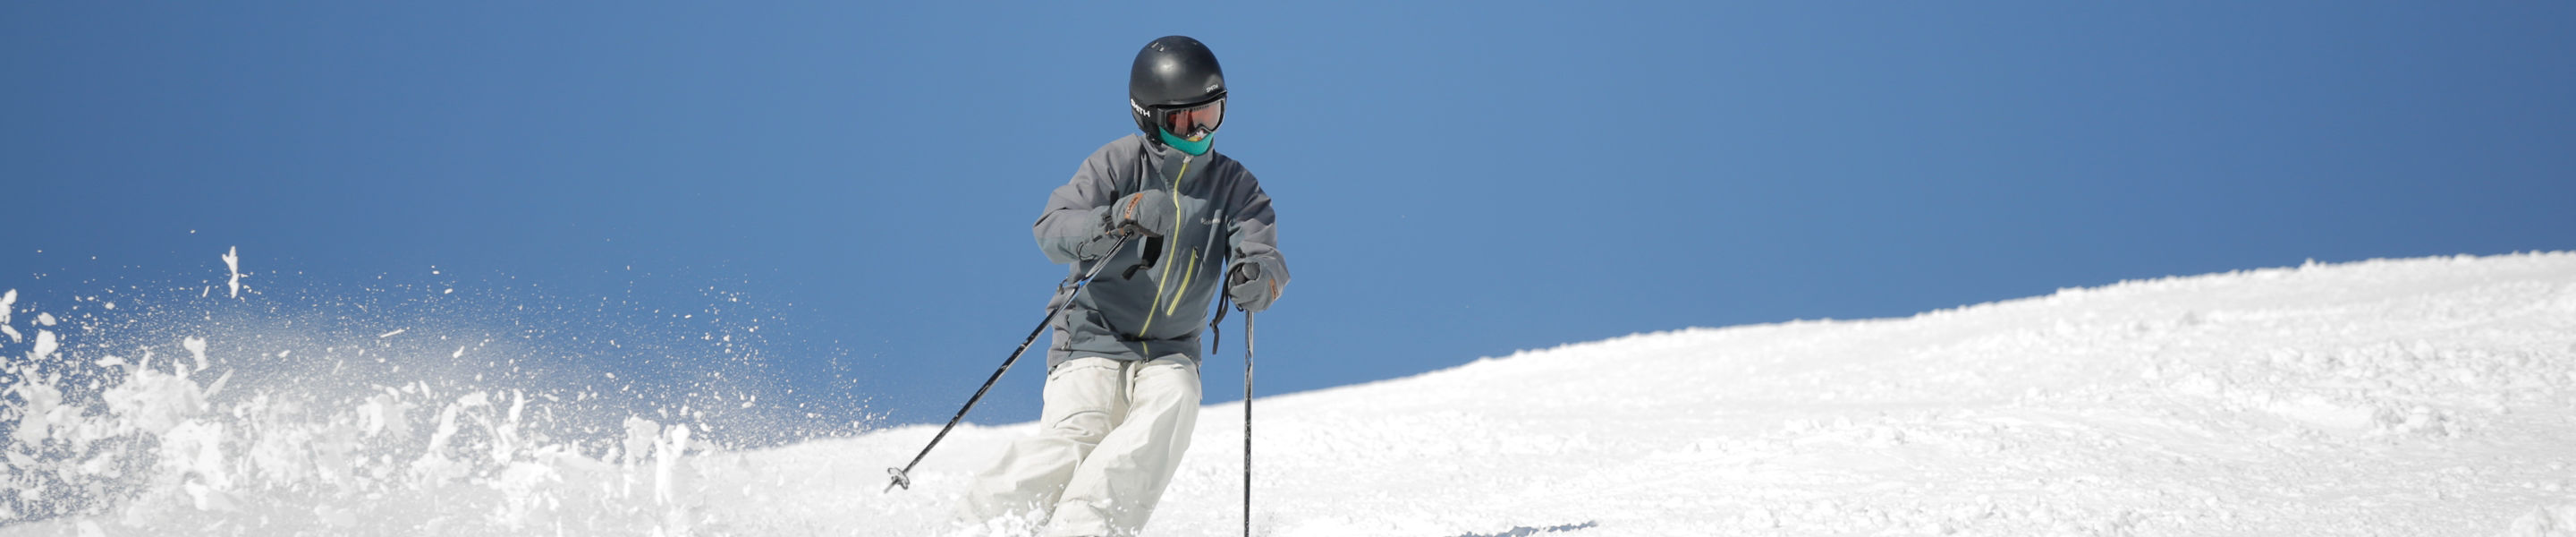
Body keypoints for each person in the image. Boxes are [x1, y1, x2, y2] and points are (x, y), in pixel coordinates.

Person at [957, 35, 1288, 537]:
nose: (1198, 130)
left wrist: (1256, 277)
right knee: (1080, 437)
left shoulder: (1235, 186)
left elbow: (1263, 253)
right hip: (1092, 332)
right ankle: (978, 524)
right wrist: (1115, 218)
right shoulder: (1116, 164)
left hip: (1172, 348)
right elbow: (1051, 229)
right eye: (1182, 120)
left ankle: (1086, 528)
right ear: (1149, 118)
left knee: (1173, 401)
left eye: (1210, 114)